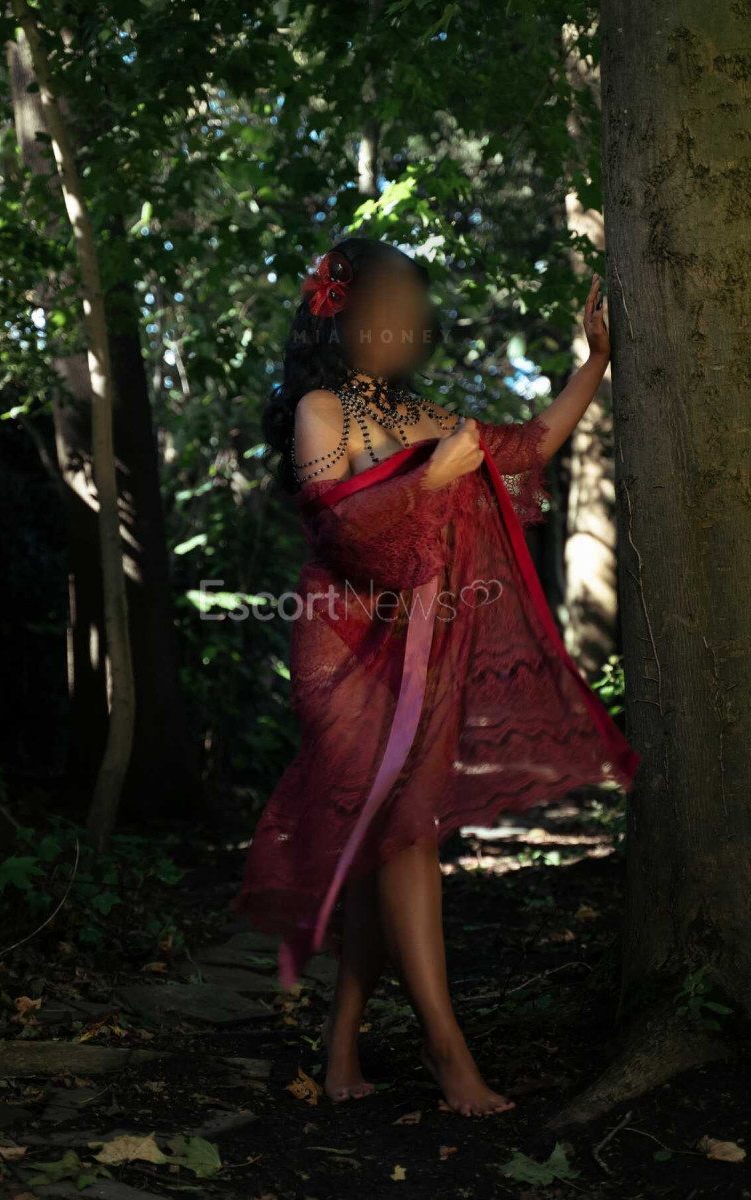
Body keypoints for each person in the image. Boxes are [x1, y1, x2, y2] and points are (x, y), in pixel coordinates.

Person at [232, 236, 640, 1117]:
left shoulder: (426, 415)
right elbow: (340, 536)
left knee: (391, 837)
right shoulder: (320, 411)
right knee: (403, 833)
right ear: (340, 319)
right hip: (345, 647)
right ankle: (447, 1052)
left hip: (427, 643)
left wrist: (597, 361)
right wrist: (431, 484)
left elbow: (531, 444)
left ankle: (344, 1040)